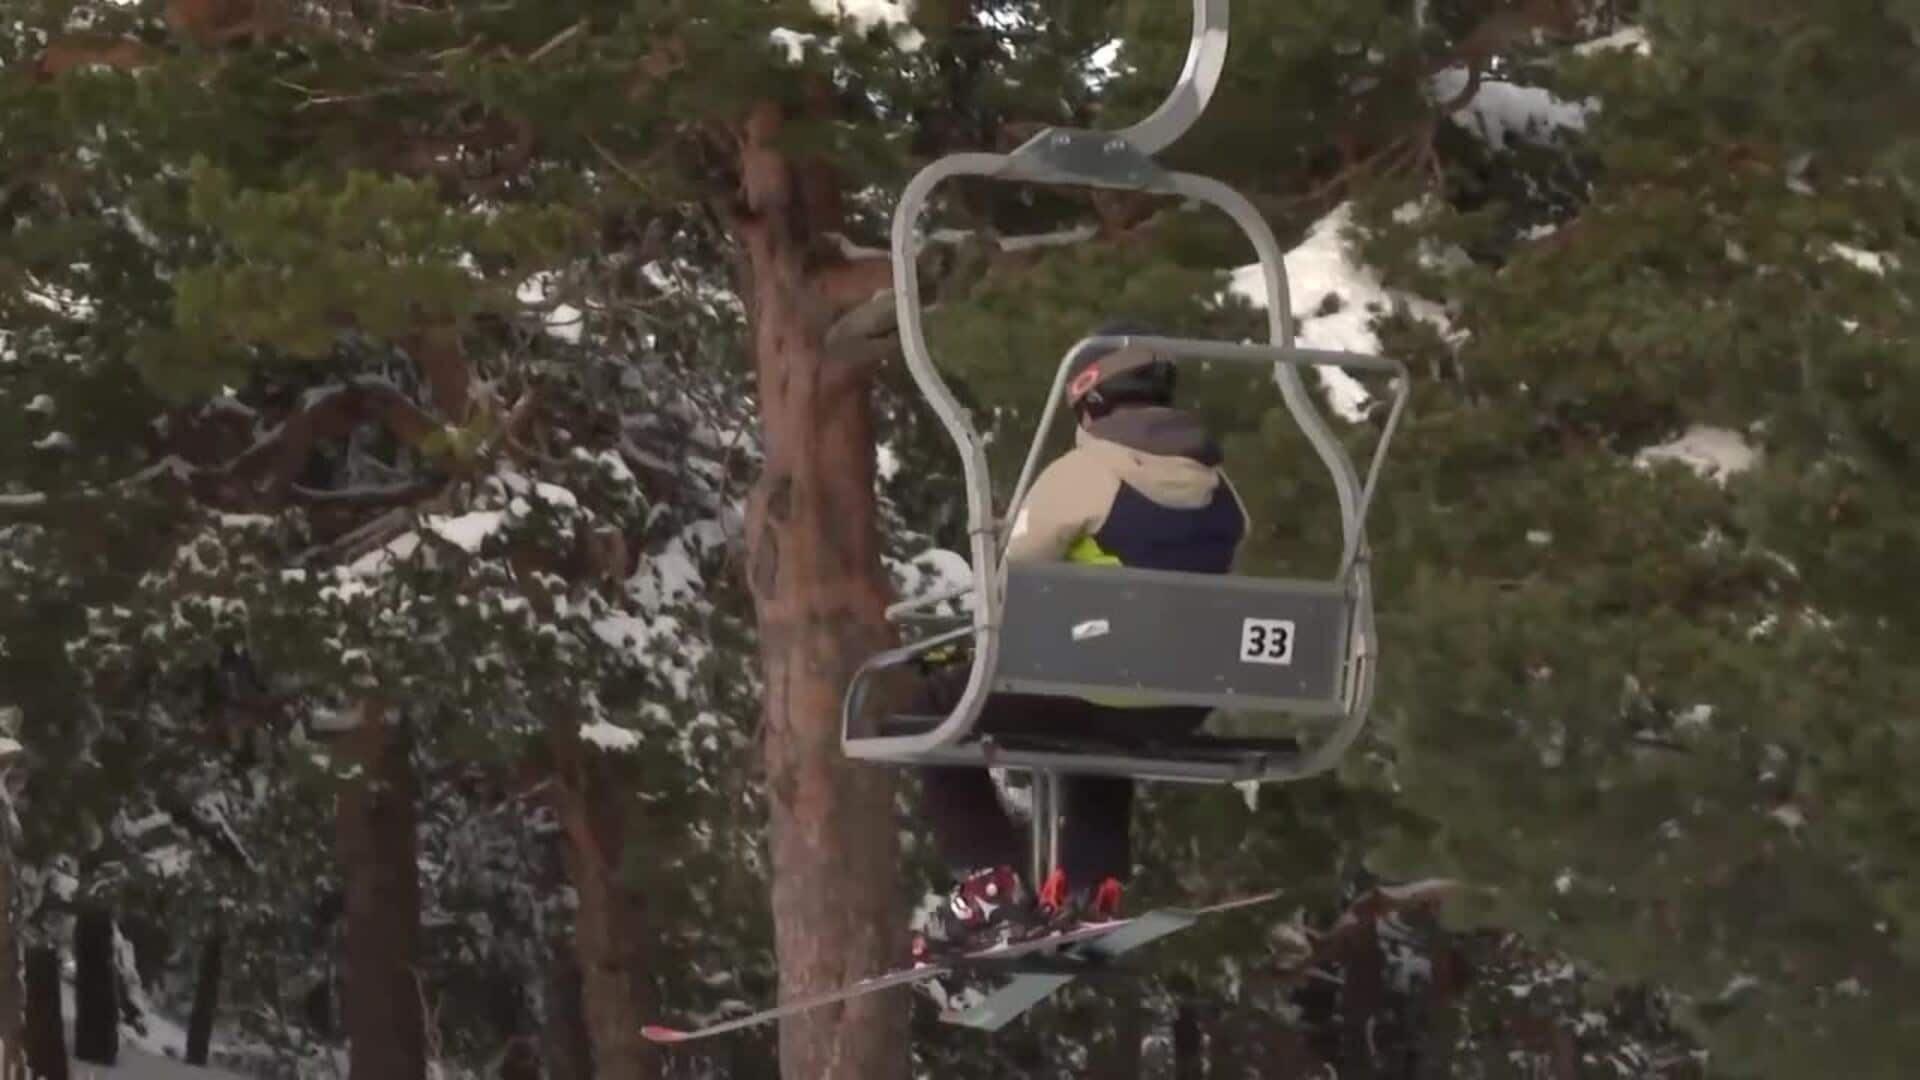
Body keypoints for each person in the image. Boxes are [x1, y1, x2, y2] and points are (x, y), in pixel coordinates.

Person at [914, 320, 1249, 956]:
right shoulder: (1219, 487)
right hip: (1183, 701)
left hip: (1097, 688)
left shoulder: (1083, 472)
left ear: (1092, 401)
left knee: (938, 707)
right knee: (1104, 703)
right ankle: (1090, 881)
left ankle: (987, 881)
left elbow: (1010, 577)